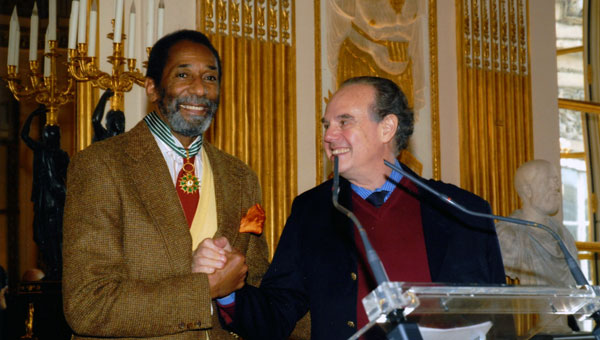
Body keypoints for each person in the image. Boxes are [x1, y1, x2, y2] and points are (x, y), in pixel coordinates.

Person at [195, 76, 506, 339]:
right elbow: (277, 312)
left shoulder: (462, 211)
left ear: (387, 128)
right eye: (327, 124)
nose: (329, 136)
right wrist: (228, 289)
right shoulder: (312, 211)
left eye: (344, 122)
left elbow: (492, 318)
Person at [62, 30, 269, 340]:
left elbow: (258, 283)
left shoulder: (243, 178)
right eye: (183, 74)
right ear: (152, 88)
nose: (199, 89)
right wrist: (206, 290)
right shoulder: (100, 166)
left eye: (210, 78)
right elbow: (88, 305)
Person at [496, 159, 578, 286]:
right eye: (547, 181)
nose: (555, 186)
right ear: (528, 190)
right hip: (533, 305)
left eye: (556, 180)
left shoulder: (563, 233)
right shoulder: (508, 234)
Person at [21, 105, 70, 280]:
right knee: (41, 236)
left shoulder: (61, 155)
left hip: (57, 202)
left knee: (57, 238)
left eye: (53, 134)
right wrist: (33, 114)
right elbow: (24, 136)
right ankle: (53, 268)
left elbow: (69, 178)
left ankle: (57, 269)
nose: (49, 137)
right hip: (43, 202)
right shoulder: (41, 151)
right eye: (47, 134)